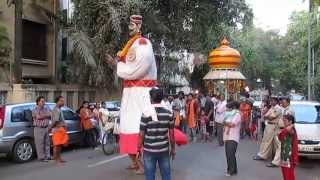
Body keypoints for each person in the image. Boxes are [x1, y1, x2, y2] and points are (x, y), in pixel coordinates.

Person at [105, 14, 157, 173]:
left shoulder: (143, 44)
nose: (129, 28)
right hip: (130, 94)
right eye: (129, 25)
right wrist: (116, 65)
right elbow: (128, 70)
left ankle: (142, 165)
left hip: (141, 94)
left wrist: (117, 66)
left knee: (138, 130)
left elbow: (138, 68)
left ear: (139, 26)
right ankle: (135, 162)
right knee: (127, 129)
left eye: (132, 25)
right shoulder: (130, 45)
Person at [138, 88, 175, 180]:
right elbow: (171, 135)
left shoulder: (145, 114)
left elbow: (141, 135)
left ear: (151, 98)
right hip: (164, 150)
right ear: (162, 98)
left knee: (150, 176)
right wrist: (173, 149)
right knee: (166, 175)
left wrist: (138, 149)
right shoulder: (169, 114)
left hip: (149, 151)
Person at [253, 97, 283, 167]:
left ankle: (268, 157)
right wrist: (267, 116)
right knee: (266, 141)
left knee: (272, 142)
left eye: (272, 101)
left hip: (274, 126)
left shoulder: (278, 108)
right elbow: (265, 116)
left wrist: (267, 116)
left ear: (276, 101)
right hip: (269, 125)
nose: (271, 102)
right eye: (271, 101)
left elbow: (271, 117)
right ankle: (264, 155)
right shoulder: (272, 108)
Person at [223, 101, 241, 177]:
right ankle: (232, 169)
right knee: (228, 154)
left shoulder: (237, 115)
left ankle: (231, 171)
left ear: (233, 108)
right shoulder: (229, 115)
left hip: (233, 137)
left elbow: (232, 124)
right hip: (227, 136)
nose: (226, 109)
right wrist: (226, 122)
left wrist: (225, 122)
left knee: (230, 154)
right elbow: (224, 122)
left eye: (228, 107)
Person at [278, 114, 298, 180]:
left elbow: (281, 135)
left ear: (290, 121)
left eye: (285, 121)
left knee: (288, 175)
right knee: (286, 174)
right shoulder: (287, 128)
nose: (284, 122)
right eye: (283, 120)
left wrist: (290, 126)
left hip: (289, 157)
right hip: (284, 156)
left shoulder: (291, 130)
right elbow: (280, 137)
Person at [32, 96, 51, 162]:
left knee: (47, 143)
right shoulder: (35, 110)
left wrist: (44, 115)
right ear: (38, 102)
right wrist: (46, 115)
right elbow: (38, 117)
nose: (43, 102)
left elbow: (50, 115)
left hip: (46, 127)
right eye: (42, 101)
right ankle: (42, 158)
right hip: (38, 128)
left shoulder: (46, 108)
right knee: (40, 144)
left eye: (44, 101)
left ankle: (48, 156)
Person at [51, 96, 68, 163]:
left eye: (63, 101)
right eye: (61, 101)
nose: (63, 102)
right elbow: (56, 121)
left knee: (59, 144)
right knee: (57, 145)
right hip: (57, 129)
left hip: (59, 129)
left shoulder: (59, 109)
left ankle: (58, 158)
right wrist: (50, 128)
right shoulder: (56, 109)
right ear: (57, 102)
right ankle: (56, 158)